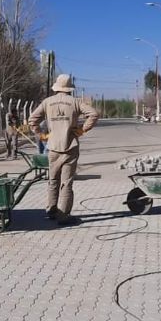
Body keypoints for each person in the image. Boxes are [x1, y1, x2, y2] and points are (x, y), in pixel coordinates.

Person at [28, 74, 99, 225]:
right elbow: (94, 114)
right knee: (66, 183)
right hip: (70, 147)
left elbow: (32, 120)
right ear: (69, 89)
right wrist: (81, 130)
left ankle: (51, 211)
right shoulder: (75, 102)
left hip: (53, 147)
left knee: (52, 180)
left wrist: (41, 135)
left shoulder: (47, 102)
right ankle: (63, 216)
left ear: (56, 87)